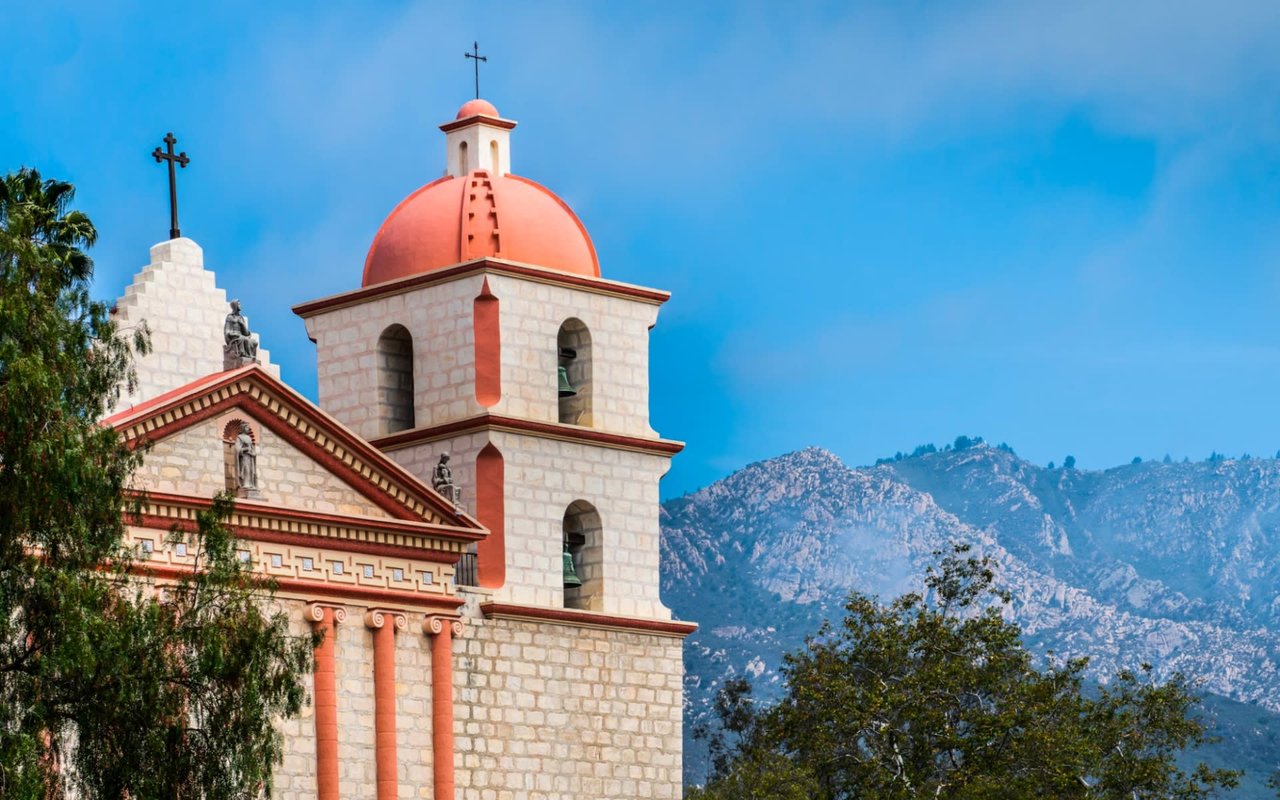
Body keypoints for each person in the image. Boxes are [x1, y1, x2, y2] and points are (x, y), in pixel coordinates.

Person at [234, 422, 257, 490]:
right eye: (247, 427)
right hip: (244, 457)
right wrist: (244, 449)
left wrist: (253, 453)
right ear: (243, 428)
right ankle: (245, 484)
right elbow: (237, 448)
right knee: (245, 470)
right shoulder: (239, 437)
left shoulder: (249, 438)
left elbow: (252, 448)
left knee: (250, 470)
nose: (248, 429)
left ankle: (251, 484)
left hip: (250, 457)